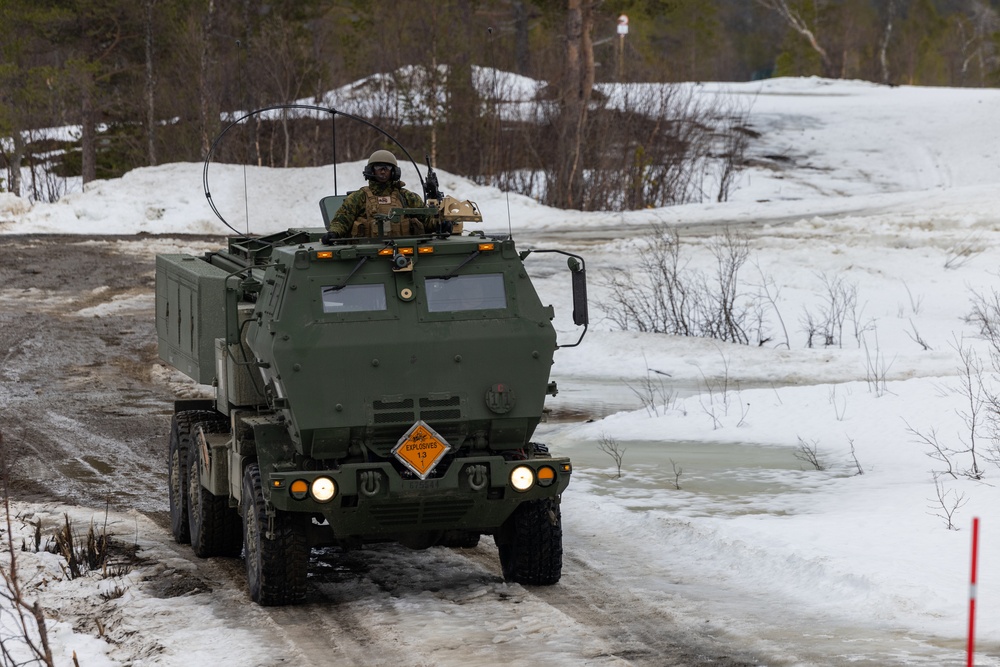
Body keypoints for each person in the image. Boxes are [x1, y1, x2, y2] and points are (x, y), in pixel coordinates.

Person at [324, 150, 428, 241]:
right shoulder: (359, 197)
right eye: (378, 167)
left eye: (387, 167)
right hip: (366, 253)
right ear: (371, 170)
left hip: (404, 250)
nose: (383, 171)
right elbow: (342, 219)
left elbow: (427, 218)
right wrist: (334, 232)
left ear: (394, 171)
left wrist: (441, 223)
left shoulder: (406, 197)